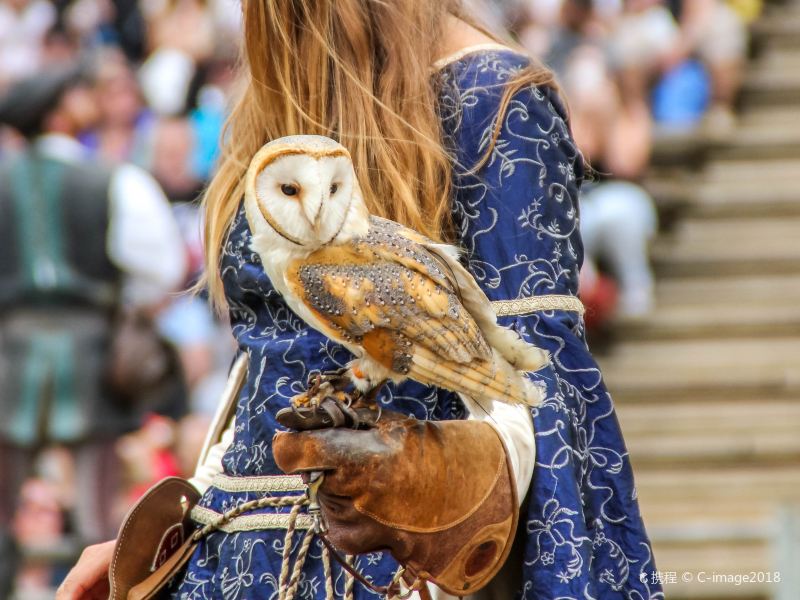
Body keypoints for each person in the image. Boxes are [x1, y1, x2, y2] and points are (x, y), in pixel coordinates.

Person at [58, 2, 661, 599]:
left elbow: (536, 381)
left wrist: (436, 493)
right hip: (233, 556)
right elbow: (271, 360)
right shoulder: (275, 94)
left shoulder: (490, 96)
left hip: (391, 568)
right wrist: (184, 523)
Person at [0, 63, 187, 598]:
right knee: (94, 512)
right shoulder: (112, 178)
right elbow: (162, 266)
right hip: (89, 353)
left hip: (7, 356)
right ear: (58, 112)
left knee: (2, 507)